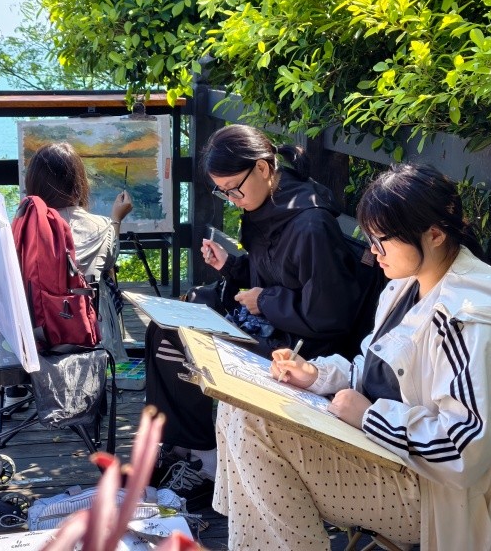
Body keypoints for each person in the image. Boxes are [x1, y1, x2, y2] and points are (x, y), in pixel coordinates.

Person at [214, 163, 491, 550]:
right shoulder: (405, 286)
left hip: (436, 498)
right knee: (238, 405)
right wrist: (314, 375)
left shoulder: (471, 319)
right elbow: (373, 372)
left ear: (434, 235)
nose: (372, 251)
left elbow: (465, 449)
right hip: (387, 459)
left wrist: (369, 417)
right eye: (370, 238)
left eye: (381, 241)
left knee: (255, 427)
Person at [147, 124, 370, 510]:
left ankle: (206, 460)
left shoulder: (312, 224)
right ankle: (182, 446)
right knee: (165, 326)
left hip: (299, 350)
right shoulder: (263, 204)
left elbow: (329, 316)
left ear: (264, 168)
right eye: (223, 191)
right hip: (272, 324)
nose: (232, 200)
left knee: (180, 340)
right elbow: (269, 273)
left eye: (234, 188)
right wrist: (231, 266)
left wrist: (264, 300)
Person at [23, 141, 134, 359]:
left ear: (33, 182)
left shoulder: (24, 229)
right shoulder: (101, 227)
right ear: (79, 182)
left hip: (35, 334)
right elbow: (109, 260)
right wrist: (116, 219)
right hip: (91, 334)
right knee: (104, 281)